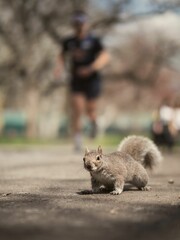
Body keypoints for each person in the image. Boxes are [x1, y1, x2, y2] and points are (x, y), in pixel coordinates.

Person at [54, 10, 110, 151]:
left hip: (92, 80)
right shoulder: (69, 42)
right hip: (76, 80)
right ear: (74, 25)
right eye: (77, 23)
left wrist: (91, 68)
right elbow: (61, 56)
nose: (79, 26)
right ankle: (78, 139)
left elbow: (105, 56)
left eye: (82, 23)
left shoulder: (94, 41)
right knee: (77, 110)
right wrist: (58, 68)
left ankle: (93, 122)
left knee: (90, 110)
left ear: (86, 24)